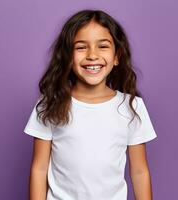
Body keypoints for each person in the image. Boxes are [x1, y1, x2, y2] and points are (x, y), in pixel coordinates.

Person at [24, 9, 158, 200]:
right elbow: (39, 169)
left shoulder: (132, 106)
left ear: (117, 56)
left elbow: (139, 171)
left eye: (102, 46)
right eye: (80, 47)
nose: (92, 55)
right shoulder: (49, 104)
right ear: (68, 56)